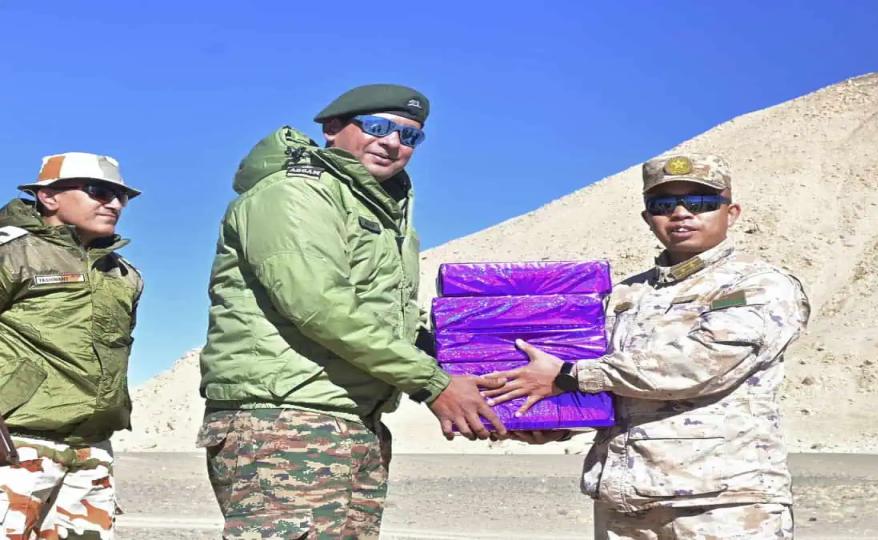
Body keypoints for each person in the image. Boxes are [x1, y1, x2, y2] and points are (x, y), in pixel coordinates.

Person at [196, 83, 506, 539]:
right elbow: (319, 305)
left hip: (353, 420)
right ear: (332, 129)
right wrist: (433, 383)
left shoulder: (385, 216)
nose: (393, 143)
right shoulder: (294, 195)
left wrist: (498, 388)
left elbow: (398, 324)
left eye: (410, 136)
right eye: (378, 127)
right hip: (286, 419)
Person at [484, 153, 810, 539]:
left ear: (732, 213)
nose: (681, 213)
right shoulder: (625, 294)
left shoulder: (757, 284)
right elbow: (608, 391)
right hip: (626, 503)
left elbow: (699, 366)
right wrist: (556, 421)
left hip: (723, 504)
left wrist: (569, 377)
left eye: (702, 203)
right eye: (663, 204)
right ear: (647, 218)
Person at [0, 152, 143, 538]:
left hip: (92, 450)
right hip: (16, 445)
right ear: (49, 197)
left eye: (121, 196)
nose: (113, 203)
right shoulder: (11, 252)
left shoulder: (124, 274)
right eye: (99, 191)